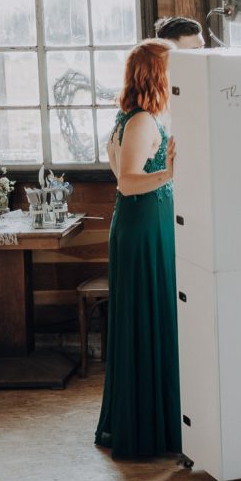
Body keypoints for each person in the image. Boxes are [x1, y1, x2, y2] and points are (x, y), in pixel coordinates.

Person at [95, 38, 181, 459]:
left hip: (142, 225)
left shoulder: (128, 117)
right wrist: (169, 172)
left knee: (149, 317)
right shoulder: (142, 121)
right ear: (157, 75)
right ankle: (149, 429)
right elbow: (127, 182)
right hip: (143, 227)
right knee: (150, 316)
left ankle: (151, 421)